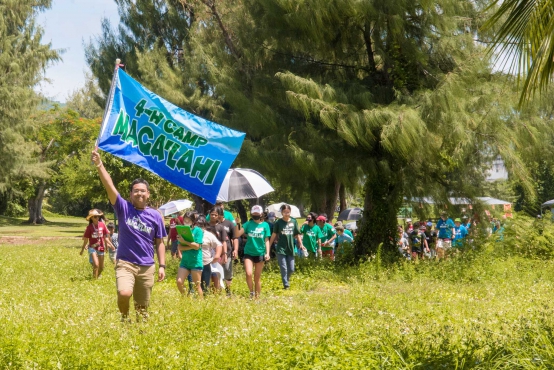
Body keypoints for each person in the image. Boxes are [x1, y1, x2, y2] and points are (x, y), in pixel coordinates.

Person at [91, 150, 166, 322]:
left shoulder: (155, 216)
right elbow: (109, 186)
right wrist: (99, 164)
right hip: (126, 263)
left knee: (142, 309)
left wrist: (162, 265)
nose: (139, 193)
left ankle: (139, 333)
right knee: (124, 293)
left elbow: (160, 242)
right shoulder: (124, 208)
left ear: (148, 194)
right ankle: (125, 319)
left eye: (143, 191)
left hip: (147, 266)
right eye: (136, 191)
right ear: (130, 194)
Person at [235, 205, 271, 298]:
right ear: (251, 214)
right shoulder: (248, 224)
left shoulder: (265, 225)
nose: (255, 215)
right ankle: (251, 293)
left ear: (261, 214)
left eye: (257, 213)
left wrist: (267, 253)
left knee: (257, 277)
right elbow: (238, 233)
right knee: (248, 273)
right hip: (248, 252)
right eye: (254, 213)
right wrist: (237, 224)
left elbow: (266, 240)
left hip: (260, 253)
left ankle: (257, 297)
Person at [269, 204, 305, 290]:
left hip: (290, 248)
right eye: (284, 212)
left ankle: (286, 279)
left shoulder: (294, 221)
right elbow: (274, 234)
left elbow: (297, 234)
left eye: (288, 212)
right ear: (281, 212)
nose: (286, 214)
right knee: (284, 267)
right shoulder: (278, 222)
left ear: (290, 212)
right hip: (281, 248)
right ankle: (286, 285)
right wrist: (269, 245)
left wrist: (301, 244)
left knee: (291, 269)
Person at [176, 211, 204, 297]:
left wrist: (185, 242)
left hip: (195, 261)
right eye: (185, 220)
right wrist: (190, 245)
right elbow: (180, 247)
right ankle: (186, 299)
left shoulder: (198, 231)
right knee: (179, 281)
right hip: (185, 261)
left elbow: (197, 246)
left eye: (189, 220)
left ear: (193, 221)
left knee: (197, 286)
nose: (186, 222)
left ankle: (202, 305)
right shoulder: (182, 230)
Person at [80, 209, 113, 279]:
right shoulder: (89, 228)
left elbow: (105, 237)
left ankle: (97, 277)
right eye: (95, 217)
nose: (97, 218)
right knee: (96, 264)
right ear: (91, 218)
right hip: (92, 248)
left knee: (101, 267)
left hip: (101, 248)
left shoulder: (102, 225)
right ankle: (94, 281)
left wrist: (109, 246)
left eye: (98, 216)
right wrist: (82, 250)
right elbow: (85, 240)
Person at [216, 207, 238, 296]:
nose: (216, 217)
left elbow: (235, 238)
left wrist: (235, 249)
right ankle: (218, 291)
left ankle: (228, 291)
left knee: (227, 272)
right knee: (216, 272)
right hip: (216, 252)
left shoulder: (229, 224)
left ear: (221, 215)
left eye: (218, 215)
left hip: (227, 251)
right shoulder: (213, 225)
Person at [202, 220, 223, 294]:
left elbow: (220, 246)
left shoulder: (213, 241)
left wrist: (218, 256)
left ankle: (216, 292)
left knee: (214, 275)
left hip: (213, 263)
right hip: (205, 261)